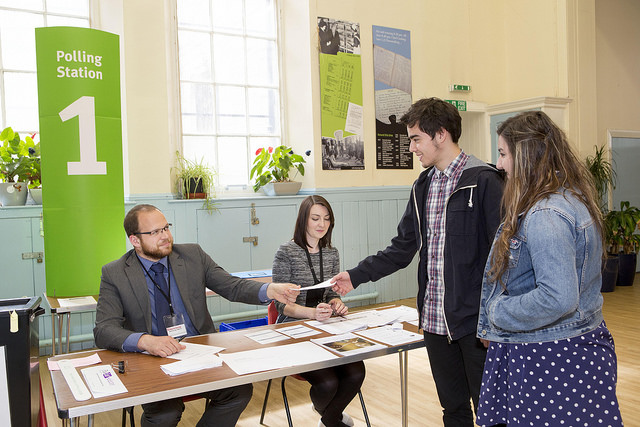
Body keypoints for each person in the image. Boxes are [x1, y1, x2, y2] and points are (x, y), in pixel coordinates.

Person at [331, 97, 504, 426]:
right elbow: (402, 248)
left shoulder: (484, 180)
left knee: (491, 413)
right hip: (436, 325)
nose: (411, 148)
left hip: (477, 324)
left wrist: (494, 317)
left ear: (440, 135)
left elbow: (502, 255)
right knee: (453, 409)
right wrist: (355, 276)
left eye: (415, 139)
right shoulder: (422, 186)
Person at [475, 111, 622, 426]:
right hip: (572, 346)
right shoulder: (570, 197)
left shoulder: (546, 214)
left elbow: (558, 297)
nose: (499, 164)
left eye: (503, 154)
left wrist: (498, 312)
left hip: (552, 356)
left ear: (526, 157)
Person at [93, 204, 300, 427]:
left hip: (198, 351)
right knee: (165, 414)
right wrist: (145, 341)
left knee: (239, 391)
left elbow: (231, 285)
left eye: (166, 228)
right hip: (151, 359)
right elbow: (104, 329)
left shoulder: (192, 255)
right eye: (155, 232)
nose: (165, 237)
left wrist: (269, 290)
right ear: (135, 240)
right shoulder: (115, 273)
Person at [272, 195, 365, 427]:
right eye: (315, 218)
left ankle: (328, 419)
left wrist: (336, 303)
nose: (321, 224)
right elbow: (281, 305)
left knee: (356, 372)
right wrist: (312, 313)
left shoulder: (331, 252)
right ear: (303, 220)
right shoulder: (286, 252)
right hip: (294, 328)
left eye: (326, 219)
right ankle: (331, 417)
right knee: (328, 383)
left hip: (326, 326)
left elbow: (330, 293)